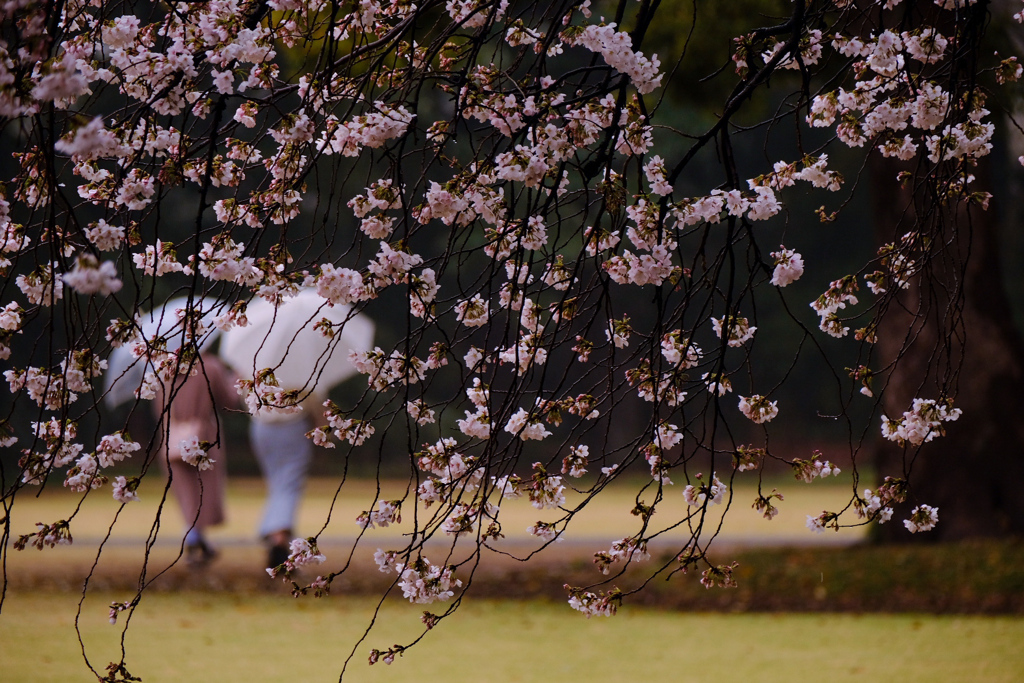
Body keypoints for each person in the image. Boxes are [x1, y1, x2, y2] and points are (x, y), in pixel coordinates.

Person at [154, 354, 237, 565]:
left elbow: (158, 408)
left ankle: (196, 539)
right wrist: (236, 380)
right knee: (204, 490)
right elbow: (228, 401)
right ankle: (194, 538)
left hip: (172, 436)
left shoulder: (164, 369)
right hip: (203, 437)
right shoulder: (210, 367)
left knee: (187, 492)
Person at [249, 390, 325, 569]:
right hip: (293, 424)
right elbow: (315, 398)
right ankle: (279, 537)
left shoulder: (258, 365)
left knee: (276, 483)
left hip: (262, 424)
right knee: (289, 484)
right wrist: (322, 427)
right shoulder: (303, 367)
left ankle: (271, 530)